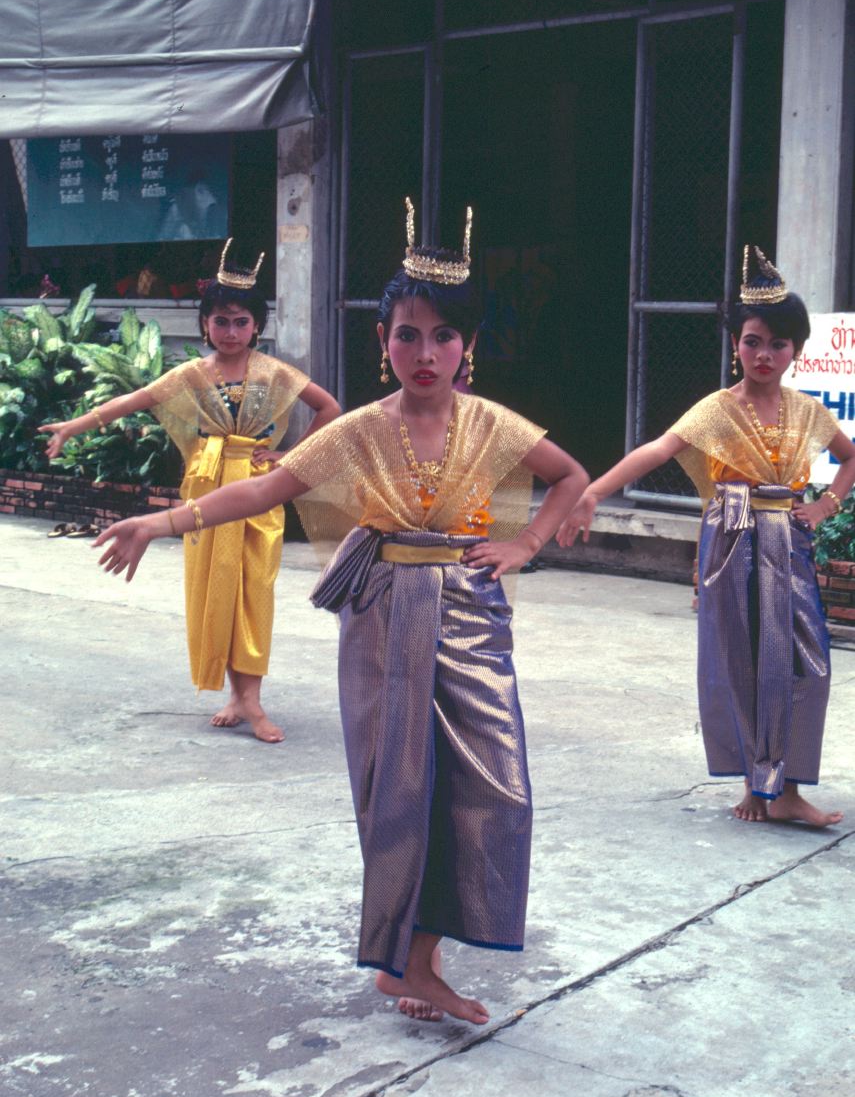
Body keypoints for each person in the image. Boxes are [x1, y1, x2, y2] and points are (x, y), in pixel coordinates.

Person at [92, 199, 590, 1024]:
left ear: (466, 346)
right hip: (384, 622)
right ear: (381, 339)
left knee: (493, 789)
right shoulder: (358, 430)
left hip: (469, 621)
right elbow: (265, 487)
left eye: (441, 336)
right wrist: (161, 520)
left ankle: (417, 958)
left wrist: (526, 544)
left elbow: (570, 476)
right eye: (406, 334)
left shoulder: (495, 425)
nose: (423, 353)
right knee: (401, 792)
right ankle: (408, 965)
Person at [559, 246, 855, 827]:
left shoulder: (808, 411)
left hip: (788, 543)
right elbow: (659, 449)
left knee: (805, 664)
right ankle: (756, 785)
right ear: (735, 344)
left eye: (777, 343)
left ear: (796, 349)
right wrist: (593, 491)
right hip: (733, 542)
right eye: (751, 341)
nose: (763, 354)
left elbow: (849, 458)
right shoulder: (718, 409)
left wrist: (826, 504)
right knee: (741, 661)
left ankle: (788, 788)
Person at [40, 239, 340, 744]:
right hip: (204, 490)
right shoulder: (191, 376)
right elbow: (134, 401)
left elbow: (329, 409)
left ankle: (254, 699)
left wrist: (288, 458)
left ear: (257, 326)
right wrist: (75, 425)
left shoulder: (275, 373)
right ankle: (237, 695)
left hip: (258, 492)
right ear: (205, 324)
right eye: (220, 321)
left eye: (240, 321)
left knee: (253, 594)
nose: (230, 331)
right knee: (215, 590)